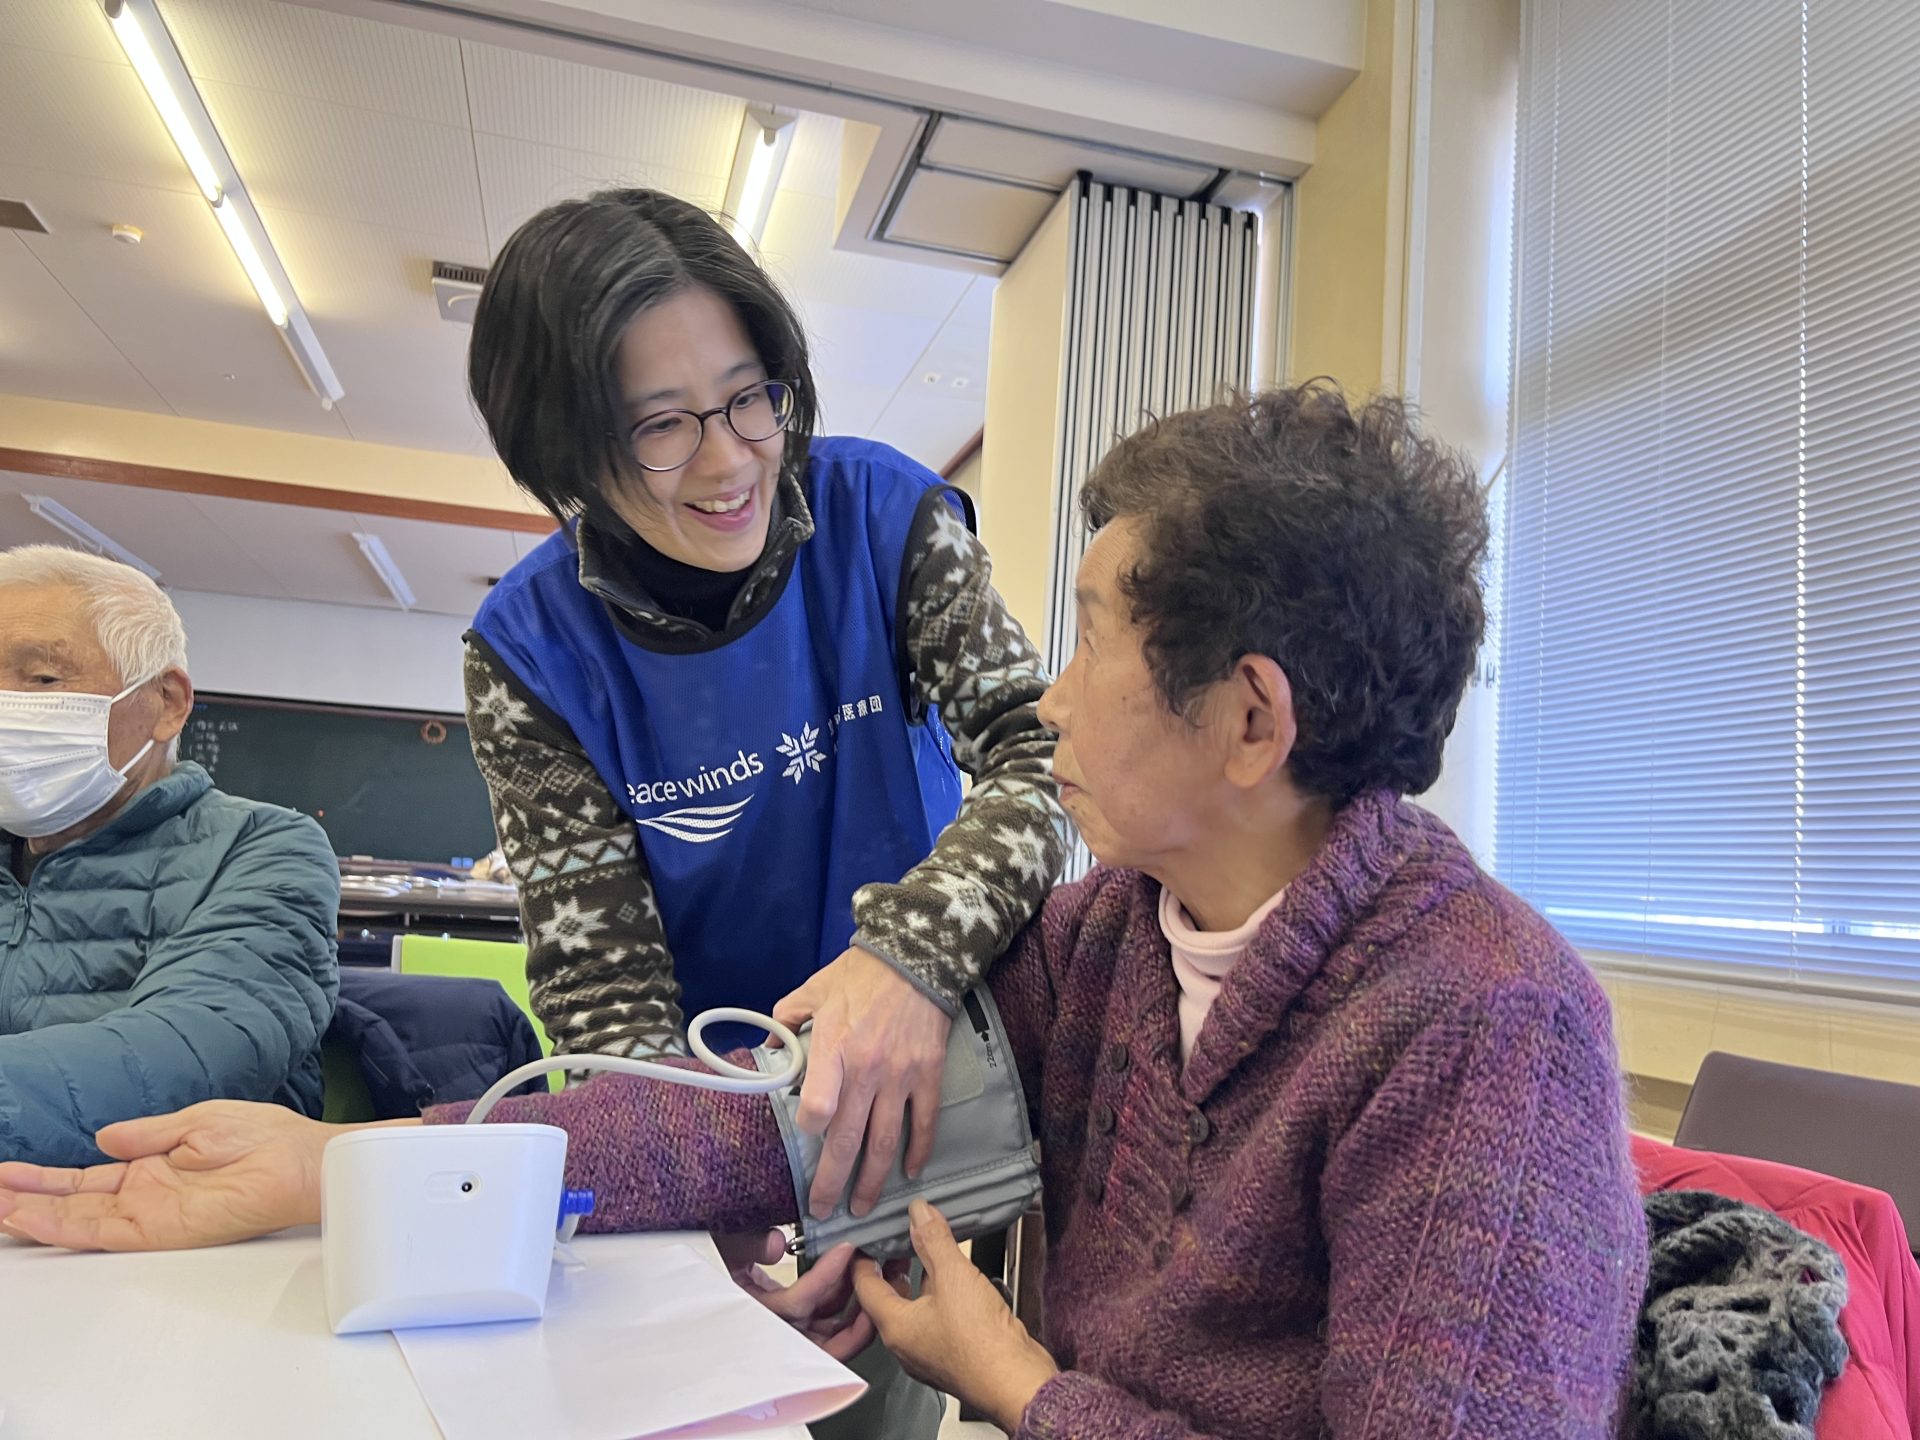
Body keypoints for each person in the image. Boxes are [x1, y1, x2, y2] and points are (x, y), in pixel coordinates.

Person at [0, 387, 1647, 1438]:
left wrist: (1016, 1384)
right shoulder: (1110, 939)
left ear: (1250, 721)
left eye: (1087, 642)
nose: (1048, 705)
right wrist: (351, 1166)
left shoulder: (1484, 1032)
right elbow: (764, 1127)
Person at [456, 187, 1067, 1435]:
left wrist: (910, 957)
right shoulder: (529, 649)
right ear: (565, 451)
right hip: (695, 1112)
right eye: (662, 427)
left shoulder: (886, 521)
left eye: (749, 398)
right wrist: (703, 1210)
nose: (730, 459)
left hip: (914, 1096)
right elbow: (605, 988)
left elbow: (1039, 761)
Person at [0, 546, 340, 1167]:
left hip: (169, 1233)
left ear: (167, 703)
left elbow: (185, 1057)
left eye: (44, 678)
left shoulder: (261, 847)